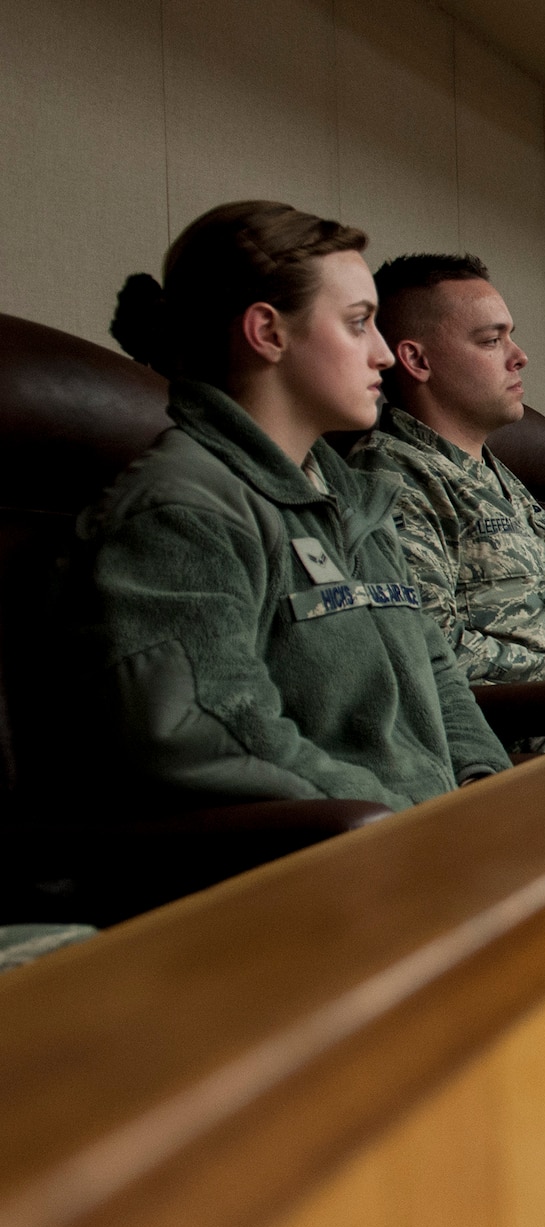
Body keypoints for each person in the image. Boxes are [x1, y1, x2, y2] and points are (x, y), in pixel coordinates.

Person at [85, 200, 511, 811]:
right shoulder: (181, 511)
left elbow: (439, 680)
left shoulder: (358, 500)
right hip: (322, 867)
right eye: (360, 323)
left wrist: (488, 794)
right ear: (268, 333)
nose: (385, 356)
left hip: (421, 841)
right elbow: (215, 733)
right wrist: (412, 823)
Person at [347, 254, 545, 749]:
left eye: (510, 336)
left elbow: (544, 618)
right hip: (515, 748)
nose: (519, 356)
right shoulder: (393, 477)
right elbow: (427, 649)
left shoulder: (496, 473)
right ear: (417, 361)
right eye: (491, 340)